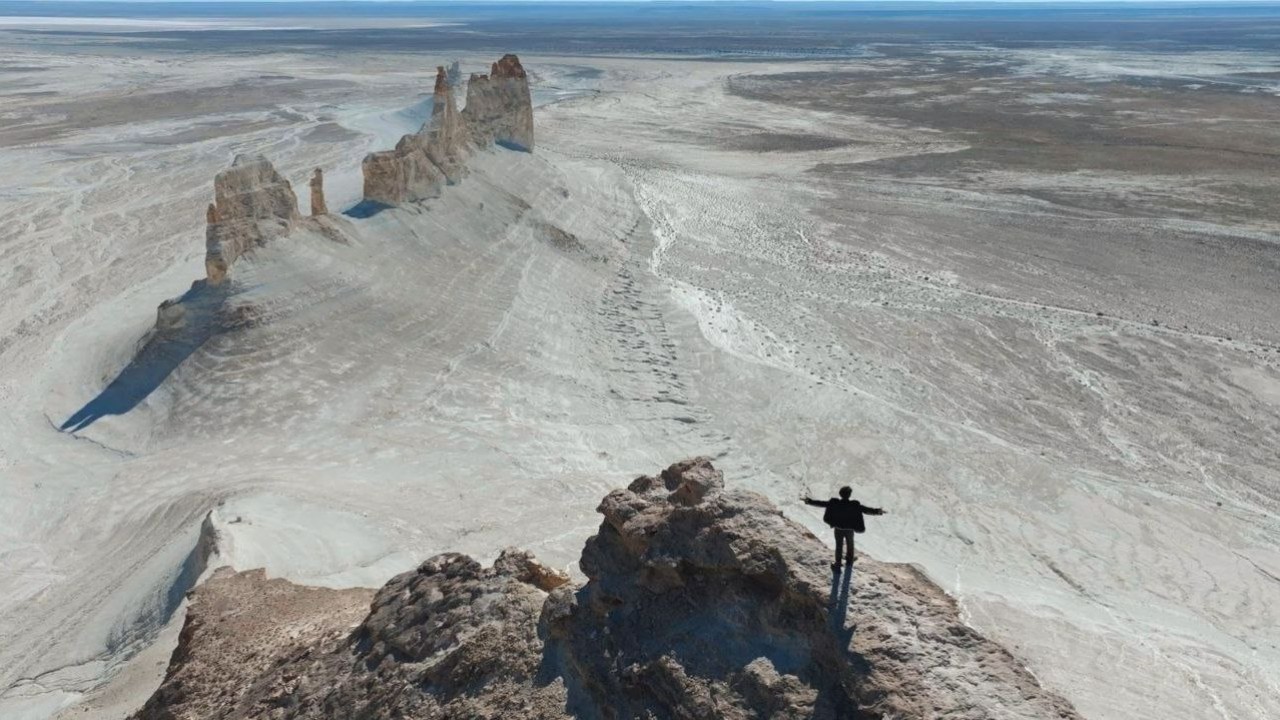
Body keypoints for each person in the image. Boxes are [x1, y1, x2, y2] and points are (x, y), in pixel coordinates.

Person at [803, 487, 885, 571]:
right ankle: (849, 561)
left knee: (839, 545)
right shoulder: (854, 505)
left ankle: (838, 564)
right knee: (850, 544)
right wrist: (878, 511)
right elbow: (866, 510)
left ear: (840, 494)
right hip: (849, 528)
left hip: (838, 528)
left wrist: (809, 501)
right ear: (849, 495)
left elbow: (822, 504)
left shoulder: (835, 503)